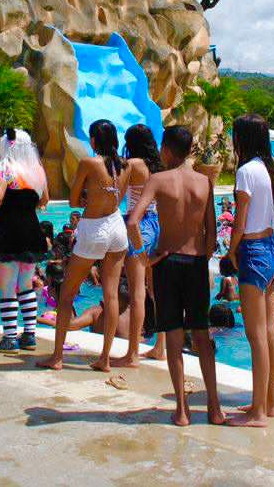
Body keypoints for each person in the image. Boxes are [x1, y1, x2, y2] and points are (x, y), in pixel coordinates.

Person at [124, 125, 223, 427]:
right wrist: (202, 259)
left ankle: (182, 410)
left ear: (166, 149)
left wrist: (144, 257)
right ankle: (215, 407)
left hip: (166, 263)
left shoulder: (158, 179)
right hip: (195, 263)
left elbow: (133, 222)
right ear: (190, 149)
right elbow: (212, 232)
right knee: (202, 338)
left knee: (175, 338)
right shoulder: (204, 182)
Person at [39, 119, 128, 371]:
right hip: (116, 227)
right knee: (111, 295)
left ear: (93, 140)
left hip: (94, 229)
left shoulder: (90, 163)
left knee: (67, 294)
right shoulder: (125, 165)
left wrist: (88, 197)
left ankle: (57, 356)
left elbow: (73, 200)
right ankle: (105, 359)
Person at [223, 115, 274, 425]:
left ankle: (258, 412)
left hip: (252, 250)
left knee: (256, 334)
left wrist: (231, 250)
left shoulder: (246, 172)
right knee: (269, 331)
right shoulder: (272, 169)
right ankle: (268, 404)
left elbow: (240, 218)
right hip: (271, 248)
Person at [0, 128, 50, 352]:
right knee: (25, 285)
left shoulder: (5, 168)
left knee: (7, 287)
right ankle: (29, 335)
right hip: (31, 230)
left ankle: (10, 337)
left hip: (7, 231)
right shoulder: (37, 171)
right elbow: (45, 200)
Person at [115, 123, 164, 367]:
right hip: (158, 225)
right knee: (156, 290)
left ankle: (132, 353)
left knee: (137, 292)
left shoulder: (132, 164)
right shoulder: (159, 166)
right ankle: (159, 347)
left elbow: (119, 195)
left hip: (138, 226)